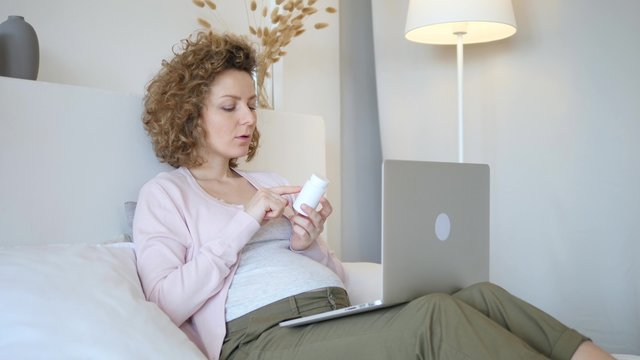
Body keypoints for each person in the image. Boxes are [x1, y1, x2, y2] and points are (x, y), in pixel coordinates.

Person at [133, 30, 613, 360]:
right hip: (263, 340)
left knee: (479, 294)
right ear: (190, 114)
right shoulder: (167, 194)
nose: (249, 119)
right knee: (433, 314)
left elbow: (336, 276)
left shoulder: (266, 179)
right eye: (230, 106)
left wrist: (310, 242)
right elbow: (165, 302)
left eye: (253, 105)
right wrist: (244, 223)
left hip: (329, 316)